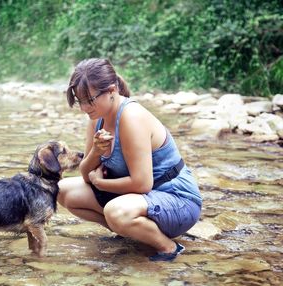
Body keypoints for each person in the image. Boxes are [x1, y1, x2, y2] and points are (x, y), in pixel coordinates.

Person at [58, 58, 202, 261]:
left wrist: (101, 182)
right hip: (141, 198)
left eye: (89, 100)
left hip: (178, 200)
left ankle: (168, 247)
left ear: (112, 90)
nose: (84, 107)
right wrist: (96, 152)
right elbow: (85, 174)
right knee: (63, 191)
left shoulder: (131, 117)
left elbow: (142, 183)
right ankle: (132, 233)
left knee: (116, 211)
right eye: (79, 100)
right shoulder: (96, 118)